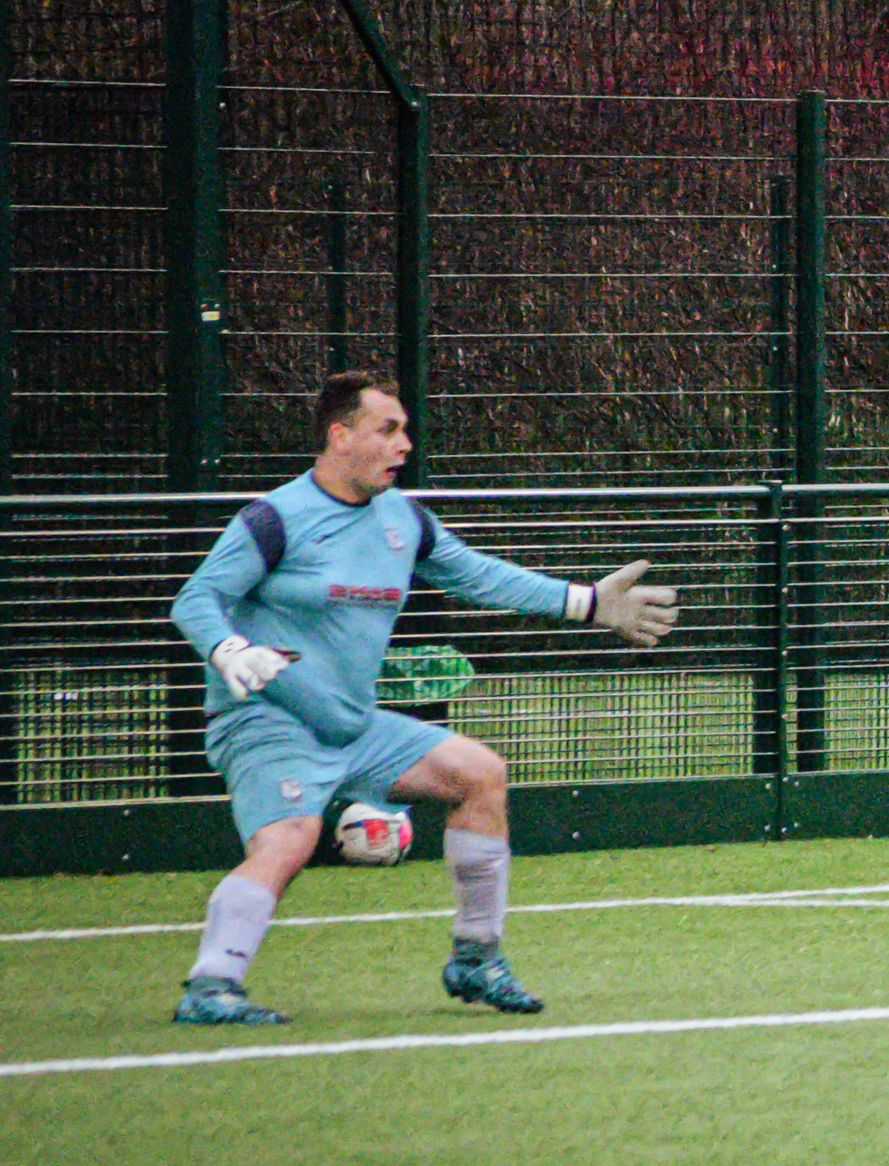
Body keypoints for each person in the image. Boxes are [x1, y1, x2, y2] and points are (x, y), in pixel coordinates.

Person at [166, 371, 679, 1025]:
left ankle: (476, 957)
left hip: (352, 724)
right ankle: (211, 986)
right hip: (269, 720)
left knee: (480, 775)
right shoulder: (275, 518)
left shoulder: (403, 520)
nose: (404, 443)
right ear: (339, 434)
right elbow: (196, 599)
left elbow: (478, 577)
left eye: (404, 429)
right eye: (389, 429)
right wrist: (230, 651)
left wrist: (586, 603)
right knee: (291, 838)